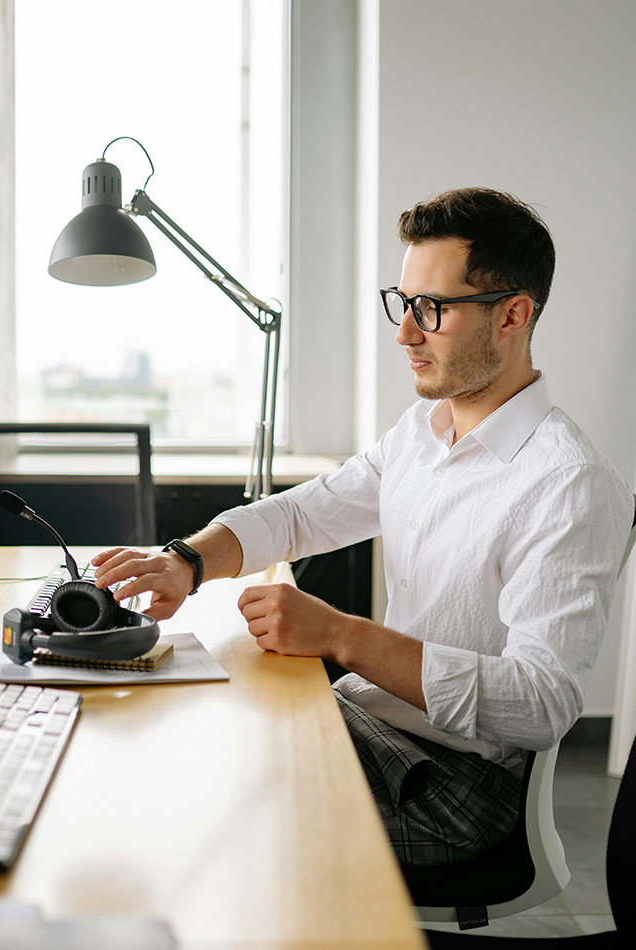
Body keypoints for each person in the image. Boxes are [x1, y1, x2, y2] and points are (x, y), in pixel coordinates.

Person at [92, 187, 633, 868]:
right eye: (404, 303)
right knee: (175, 741)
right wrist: (187, 562)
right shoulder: (425, 432)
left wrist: (341, 636)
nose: (406, 332)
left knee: (200, 821)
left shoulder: (570, 483)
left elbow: (541, 704)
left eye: (432, 309)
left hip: (458, 788)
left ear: (513, 316)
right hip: (373, 725)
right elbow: (302, 512)